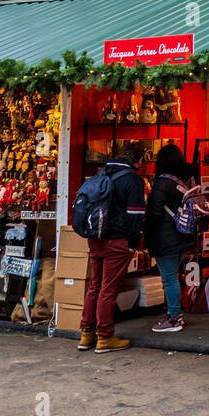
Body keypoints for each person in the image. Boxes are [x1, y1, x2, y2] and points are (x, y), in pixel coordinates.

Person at [77, 142, 147, 353]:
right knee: (108, 289)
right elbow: (135, 215)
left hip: (95, 239)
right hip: (117, 241)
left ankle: (86, 334)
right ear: (139, 160)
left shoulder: (103, 173)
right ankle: (105, 336)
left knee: (95, 286)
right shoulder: (133, 180)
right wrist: (133, 243)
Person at [146, 143, 198, 334]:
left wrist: (146, 231)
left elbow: (154, 212)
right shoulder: (187, 179)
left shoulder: (162, 182)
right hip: (182, 234)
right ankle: (172, 314)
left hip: (165, 236)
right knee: (172, 275)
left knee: (169, 278)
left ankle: (175, 317)